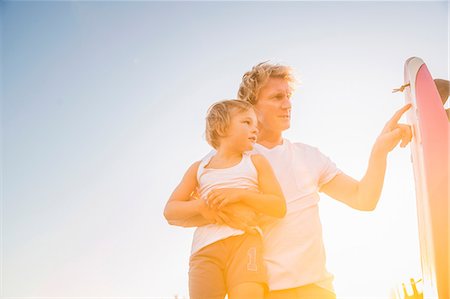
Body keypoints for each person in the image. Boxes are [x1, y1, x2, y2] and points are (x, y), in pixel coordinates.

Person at [167, 62, 413, 299]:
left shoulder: (309, 156)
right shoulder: (228, 161)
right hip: (265, 290)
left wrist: (379, 150)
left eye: (288, 96)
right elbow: (186, 214)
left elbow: (363, 199)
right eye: (276, 97)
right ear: (250, 106)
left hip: (318, 288)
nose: (287, 104)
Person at [164, 99, 286, 299]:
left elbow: (278, 207)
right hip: (205, 250)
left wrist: (240, 194)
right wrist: (202, 207)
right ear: (221, 127)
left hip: (245, 241)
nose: (255, 130)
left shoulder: (256, 162)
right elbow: (170, 211)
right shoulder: (199, 168)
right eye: (246, 122)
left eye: (256, 125)